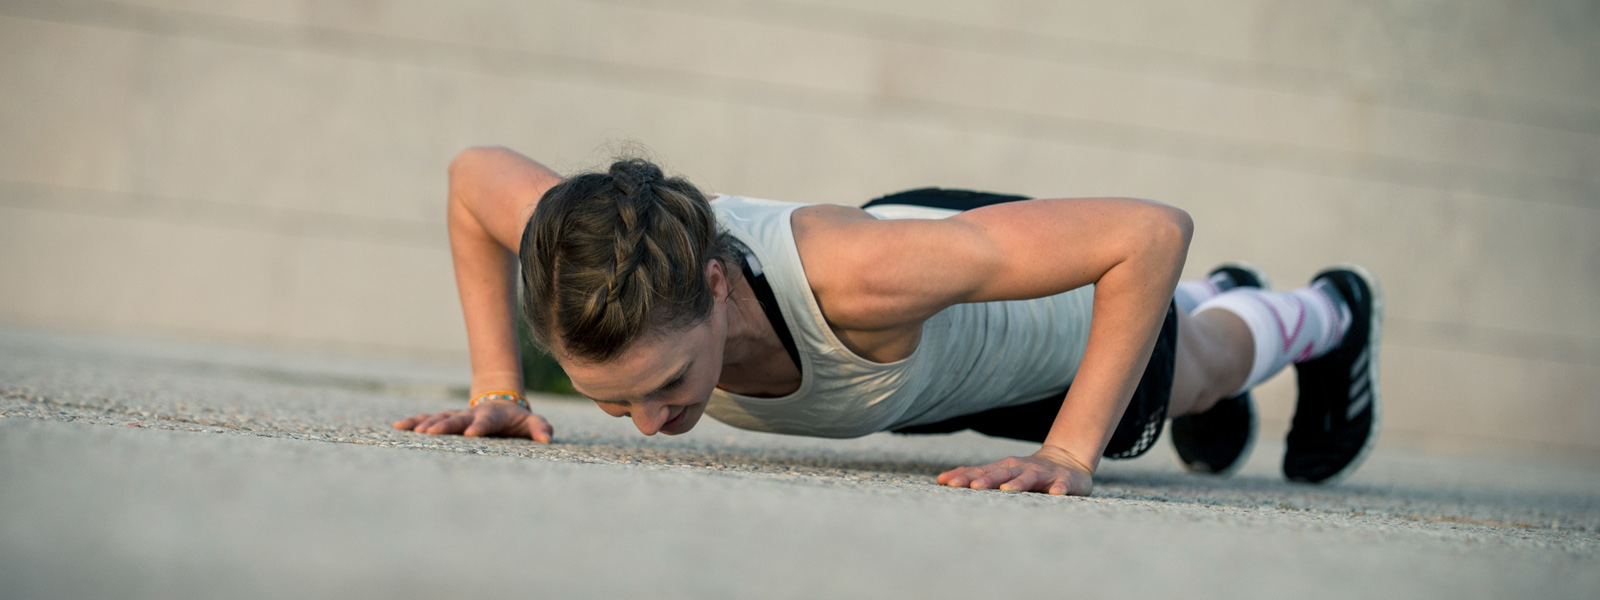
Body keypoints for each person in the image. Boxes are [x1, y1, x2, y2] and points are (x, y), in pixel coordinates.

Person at [394, 147, 1382, 496]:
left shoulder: (861, 280)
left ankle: (1324, 310)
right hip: (918, 325)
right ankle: (1220, 292)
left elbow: (1146, 230)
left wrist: (1071, 452)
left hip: (1025, 324)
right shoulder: (601, 250)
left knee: (1193, 370)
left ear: (717, 285)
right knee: (1184, 340)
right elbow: (475, 174)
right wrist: (497, 388)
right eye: (611, 404)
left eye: (666, 387)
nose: (649, 422)